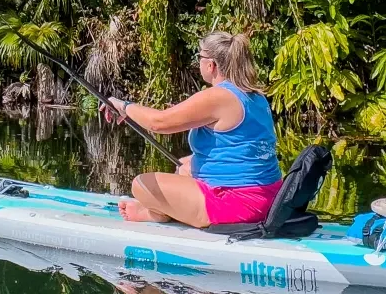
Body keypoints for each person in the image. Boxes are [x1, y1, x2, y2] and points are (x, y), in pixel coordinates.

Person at [105, 31, 281, 227]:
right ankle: (165, 208)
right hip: (269, 196)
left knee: (141, 184)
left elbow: (159, 123)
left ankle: (159, 213)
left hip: (239, 203)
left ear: (211, 64)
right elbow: (243, 147)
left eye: (200, 57)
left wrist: (124, 106)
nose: (198, 62)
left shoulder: (218, 97)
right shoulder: (255, 96)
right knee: (185, 167)